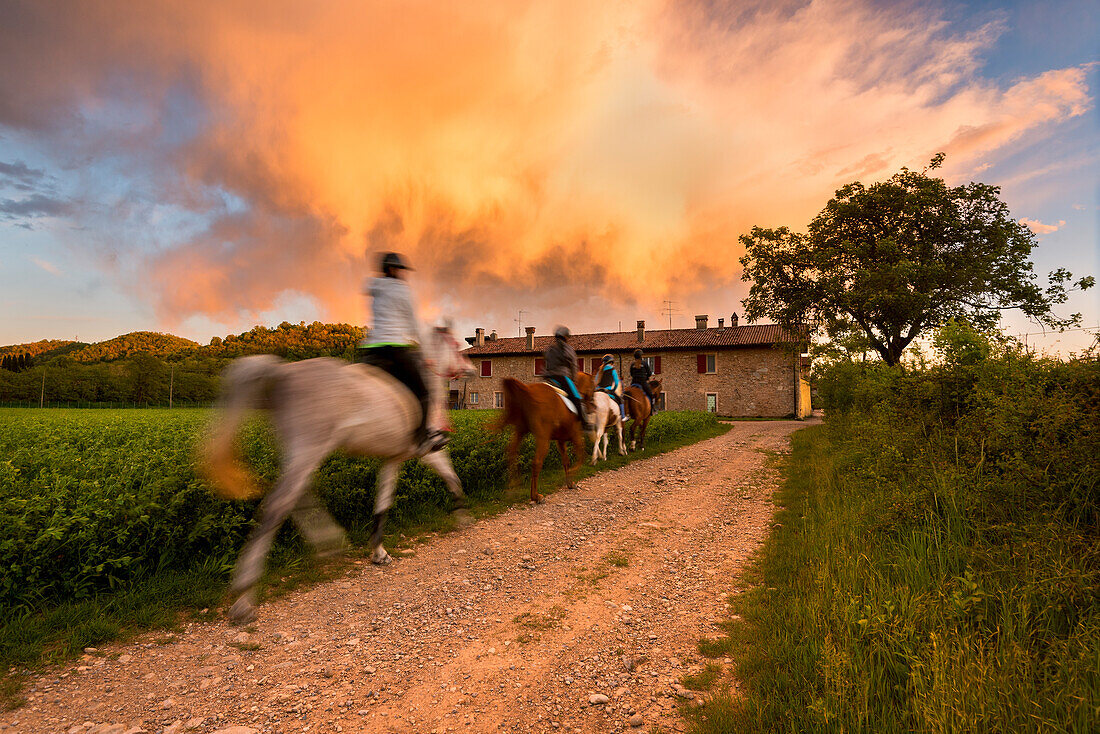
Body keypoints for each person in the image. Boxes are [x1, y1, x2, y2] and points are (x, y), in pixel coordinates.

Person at [357, 252, 447, 455]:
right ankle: (423, 439)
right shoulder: (402, 290)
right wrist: (427, 354)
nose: (403, 274)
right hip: (394, 349)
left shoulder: (375, 287)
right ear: (392, 269)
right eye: (400, 269)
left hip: (370, 351)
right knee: (424, 392)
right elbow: (414, 324)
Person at [542, 325, 592, 430]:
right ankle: (585, 423)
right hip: (562, 378)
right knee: (577, 398)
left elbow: (546, 363)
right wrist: (574, 381)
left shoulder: (550, 349)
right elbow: (574, 367)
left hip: (548, 378)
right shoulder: (568, 349)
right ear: (566, 337)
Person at [596, 353, 625, 420]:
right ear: (611, 362)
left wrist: (596, 389)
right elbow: (617, 382)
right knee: (620, 400)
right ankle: (623, 416)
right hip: (608, 390)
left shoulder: (600, 370)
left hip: (598, 389)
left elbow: (595, 381)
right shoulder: (612, 369)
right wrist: (613, 389)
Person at [629, 348, 656, 413]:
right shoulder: (644, 363)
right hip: (642, 382)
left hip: (634, 382)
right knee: (650, 394)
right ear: (641, 356)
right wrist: (646, 377)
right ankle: (652, 409)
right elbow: (649, 373)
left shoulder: (632, 364)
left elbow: (631, 374)